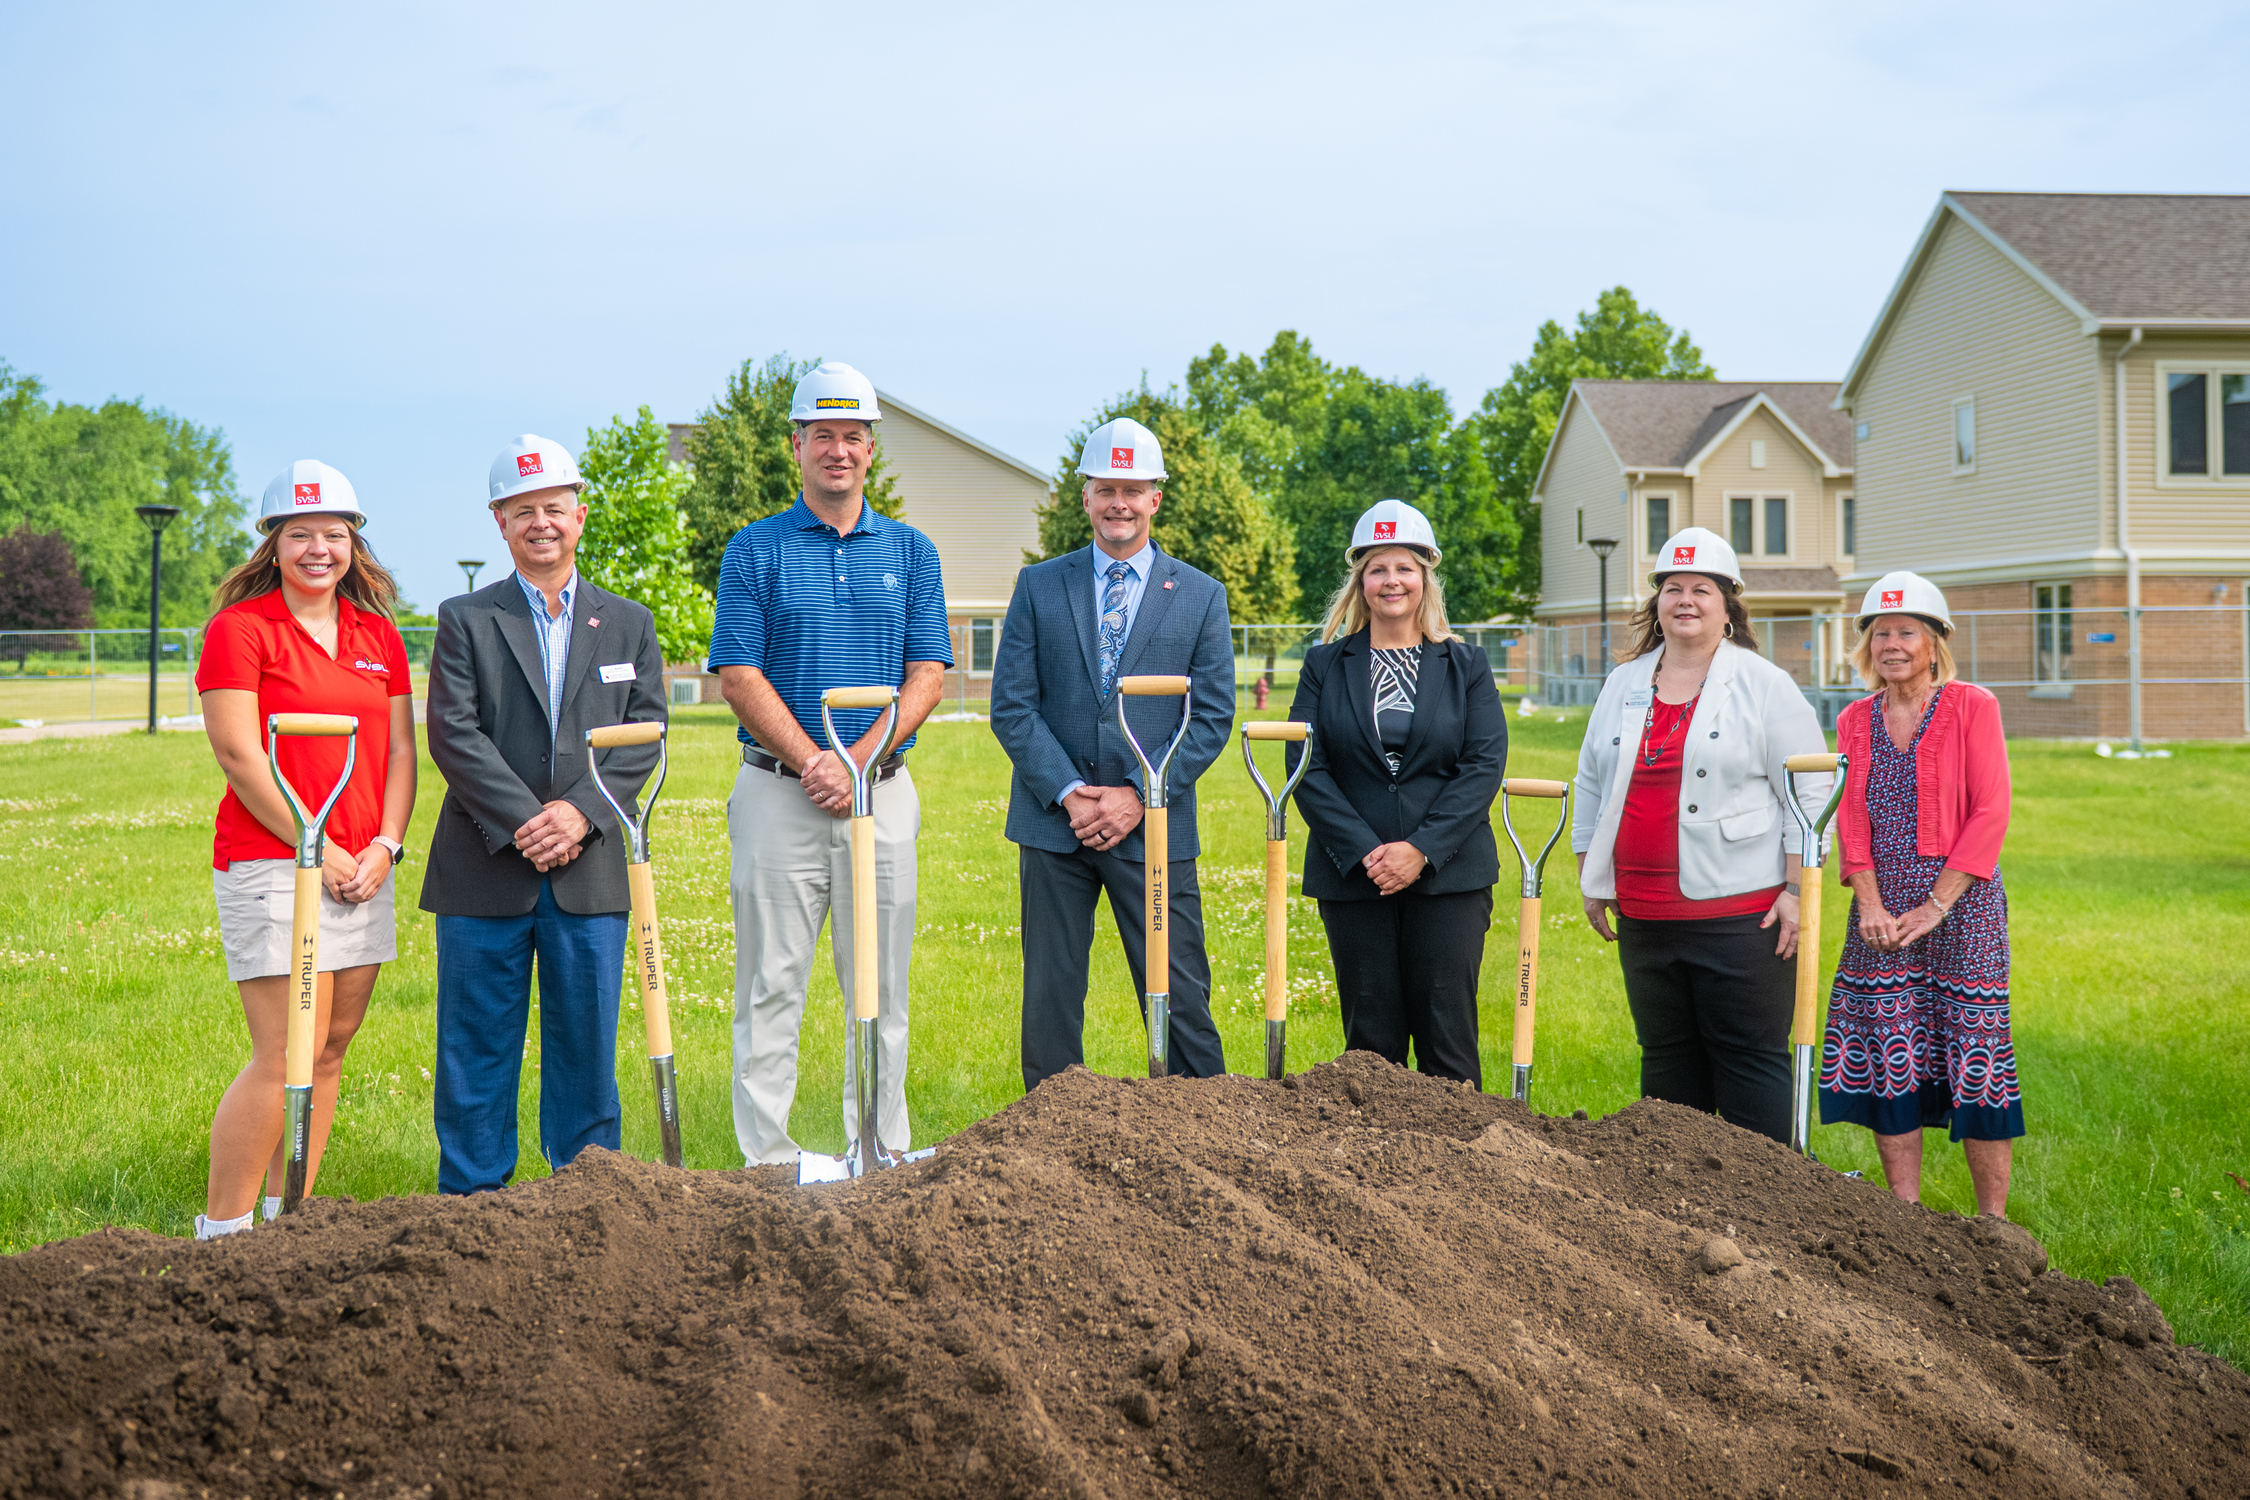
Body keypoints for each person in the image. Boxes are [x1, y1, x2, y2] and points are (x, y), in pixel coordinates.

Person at [710, 362, 952, 1163]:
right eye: (823, 436)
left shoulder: (912, 551)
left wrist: (856, 760)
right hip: (779, 792)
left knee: (879, 988)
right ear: (797, 446)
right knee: (772, 983)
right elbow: (739, 671)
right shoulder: (755, 549)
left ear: (871, 449)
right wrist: (816, 759)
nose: (838, 451)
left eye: (853, 436)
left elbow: (928, 673)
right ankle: (769, 1161)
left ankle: (877, 1151)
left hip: (880, 791)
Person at [420, 434, 667, 1194]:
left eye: (554, 509)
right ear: (499, 522)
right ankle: (471, 1201)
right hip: (485, 867)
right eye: (523, 511)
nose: (541, 525)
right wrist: (531, 820)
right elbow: (452, 733)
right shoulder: (466, 617)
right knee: (475, 1050)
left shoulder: (627, 623)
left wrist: (578, 815)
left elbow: (646, 734)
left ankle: (586, 1198)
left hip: (588, 873)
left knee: (586, 1048)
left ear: (580, 515)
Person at [193, 461, 416, 1238]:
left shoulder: (377, 634)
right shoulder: (242, 630)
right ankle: (223, 1229)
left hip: (364, 866)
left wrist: (386, 843)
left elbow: (398, 755)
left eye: (334, 534)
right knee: (286, 1046)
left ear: (353, 542)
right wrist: (315, 847)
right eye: (301, 535)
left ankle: (290, 1223)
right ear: (273, 544)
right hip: (273, 860)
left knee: (330, 1049)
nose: (319, 549)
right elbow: (238, 755)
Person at [990, 416, 1235, 1090]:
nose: (1118, 503)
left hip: (1153, 825)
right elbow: (1012, 704)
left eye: (1132, 489)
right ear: (1086, 497)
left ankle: (1200, 1133)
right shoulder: (1040, 587)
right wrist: (1071, 792)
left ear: (1155, 496)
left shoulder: (1199, 596)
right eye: (1105, 489)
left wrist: (1136, 793)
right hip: (1054, 823)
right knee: (1050, 1001)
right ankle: (1049, 1145)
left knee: (1179, 995)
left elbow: (1210, 716)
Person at [1573, 527, 1830, 1142]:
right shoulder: (1624, 683)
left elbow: (1810, 794)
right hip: (1646, 913)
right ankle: (1672, 1205)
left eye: (1701, 589)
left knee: (1748, 1060)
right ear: (1657, 603)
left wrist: (1796, 888)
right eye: (1672, 588)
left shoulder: (1763, 684)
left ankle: (1770, 1208)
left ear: (1727, 605)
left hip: (1740, 914)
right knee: (1666, 1063)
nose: (1685, 600)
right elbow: (1589, 784)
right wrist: (1593, 876)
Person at [1284, 500, 1505, 1084]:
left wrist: (1422, 850)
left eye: (1404, 567)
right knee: (1370, 1046)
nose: (1391, 581)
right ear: (1360, 579)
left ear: (1425, 577)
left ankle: (1463, 1168)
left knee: (1447, 1036)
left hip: (1449, 876)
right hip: (1355, 877)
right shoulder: (1326, 665)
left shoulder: (1466, 665)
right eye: (1378, 568)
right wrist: (1365, 850)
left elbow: (1483, 765)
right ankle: (1378, 1171)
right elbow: (1305, 763)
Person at [1821, 572, 2019, 1215]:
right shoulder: (1854, 720)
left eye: (1907, 632)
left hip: (1963, 912)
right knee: (1889, 1047)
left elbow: (1991, 810)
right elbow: (1851, 818)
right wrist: (1872, 903)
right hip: (1881, 915)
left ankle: (1993, 1225)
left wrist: (1935, 905)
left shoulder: (1972, 705)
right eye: (1880, 634)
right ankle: (1903, 1213)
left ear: (1934, 643)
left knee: (1976, 1052)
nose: (1892, 644)